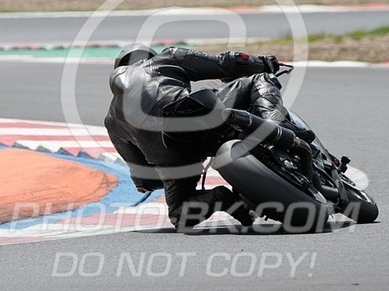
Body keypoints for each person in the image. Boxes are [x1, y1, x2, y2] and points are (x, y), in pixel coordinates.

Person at [104, 44, 314, 231]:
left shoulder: (112, 121)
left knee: (179, 214)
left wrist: (162, 172)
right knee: (259, 79)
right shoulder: (165, 58)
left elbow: (146, 180)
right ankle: (277, 125)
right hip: (195, 117)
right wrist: (265, 63)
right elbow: (227, 62)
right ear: (149, 56)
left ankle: (221, 198)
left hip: (172, 155)